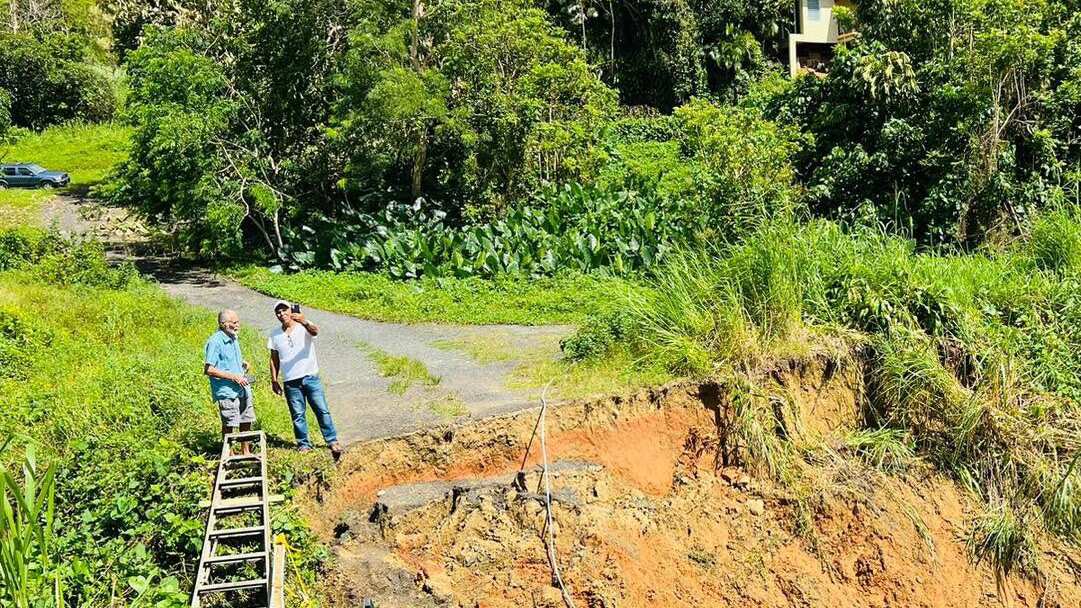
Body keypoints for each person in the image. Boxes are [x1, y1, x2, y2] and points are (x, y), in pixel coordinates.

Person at [268, 301, 342, 459]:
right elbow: (274, 358)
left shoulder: (304, 326)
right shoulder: (275, 334)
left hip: (310, 377)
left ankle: (332, 441)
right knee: (297, 414)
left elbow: (315, 332)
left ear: (290, 311)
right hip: (290, 381)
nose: (282, 314)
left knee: (322, 410)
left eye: (284, 310)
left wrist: (304, 320)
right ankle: (303, 444)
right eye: (278, 312)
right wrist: (274, 380)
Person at [204, 309, 255, 454]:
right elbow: (209, 369)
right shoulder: (215, 342)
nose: (238, 325)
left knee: (246, 419)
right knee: (229, 423)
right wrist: (233, 376)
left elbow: (227, 360)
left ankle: (246, 452)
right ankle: (229, 454)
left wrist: (242, 363)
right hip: (227, 391)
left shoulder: (233, 338)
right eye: (234, 322)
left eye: (238, 321)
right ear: (223, 324)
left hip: (242, 387)